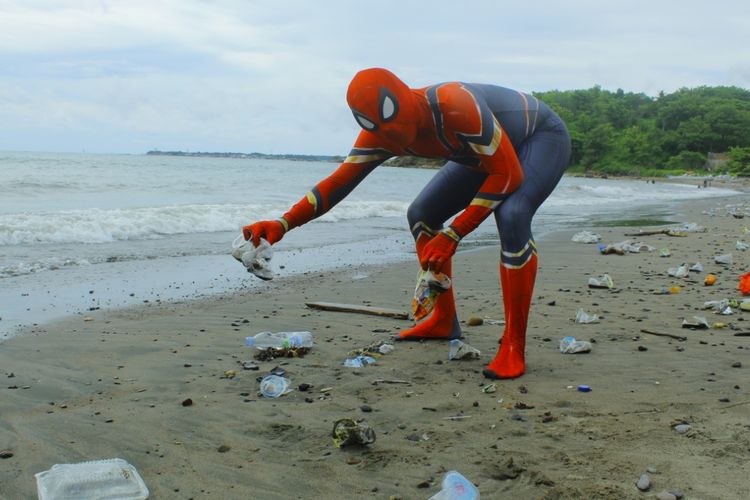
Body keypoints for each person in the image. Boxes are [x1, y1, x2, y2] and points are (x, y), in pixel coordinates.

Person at [243, 68, 571, 379]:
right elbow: (338, 183)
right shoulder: (379, 133)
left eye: (400, 130)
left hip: (537, 139)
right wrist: (283, 224)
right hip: (485, 154)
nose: (395, 141)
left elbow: (509, 173)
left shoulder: (454, 106)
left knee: (512, 214)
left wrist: (454, 234)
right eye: (386, 136)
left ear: (406, 102)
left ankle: (514, 344)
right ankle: (443, 319)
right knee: (422, 214)